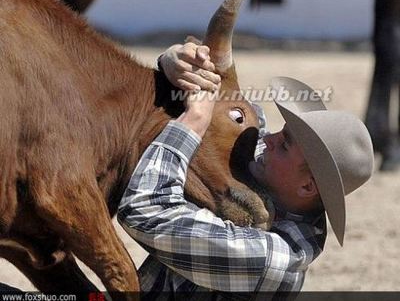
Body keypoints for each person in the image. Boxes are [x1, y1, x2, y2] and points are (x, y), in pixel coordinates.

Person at [118, 42, 374, 299]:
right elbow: (245, 114)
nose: (268, 140)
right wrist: (179, 65)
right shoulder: (279, 183)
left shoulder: (272, 261)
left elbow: (144, 212)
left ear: (307, 186)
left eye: (284, 145)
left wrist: (191, 124)